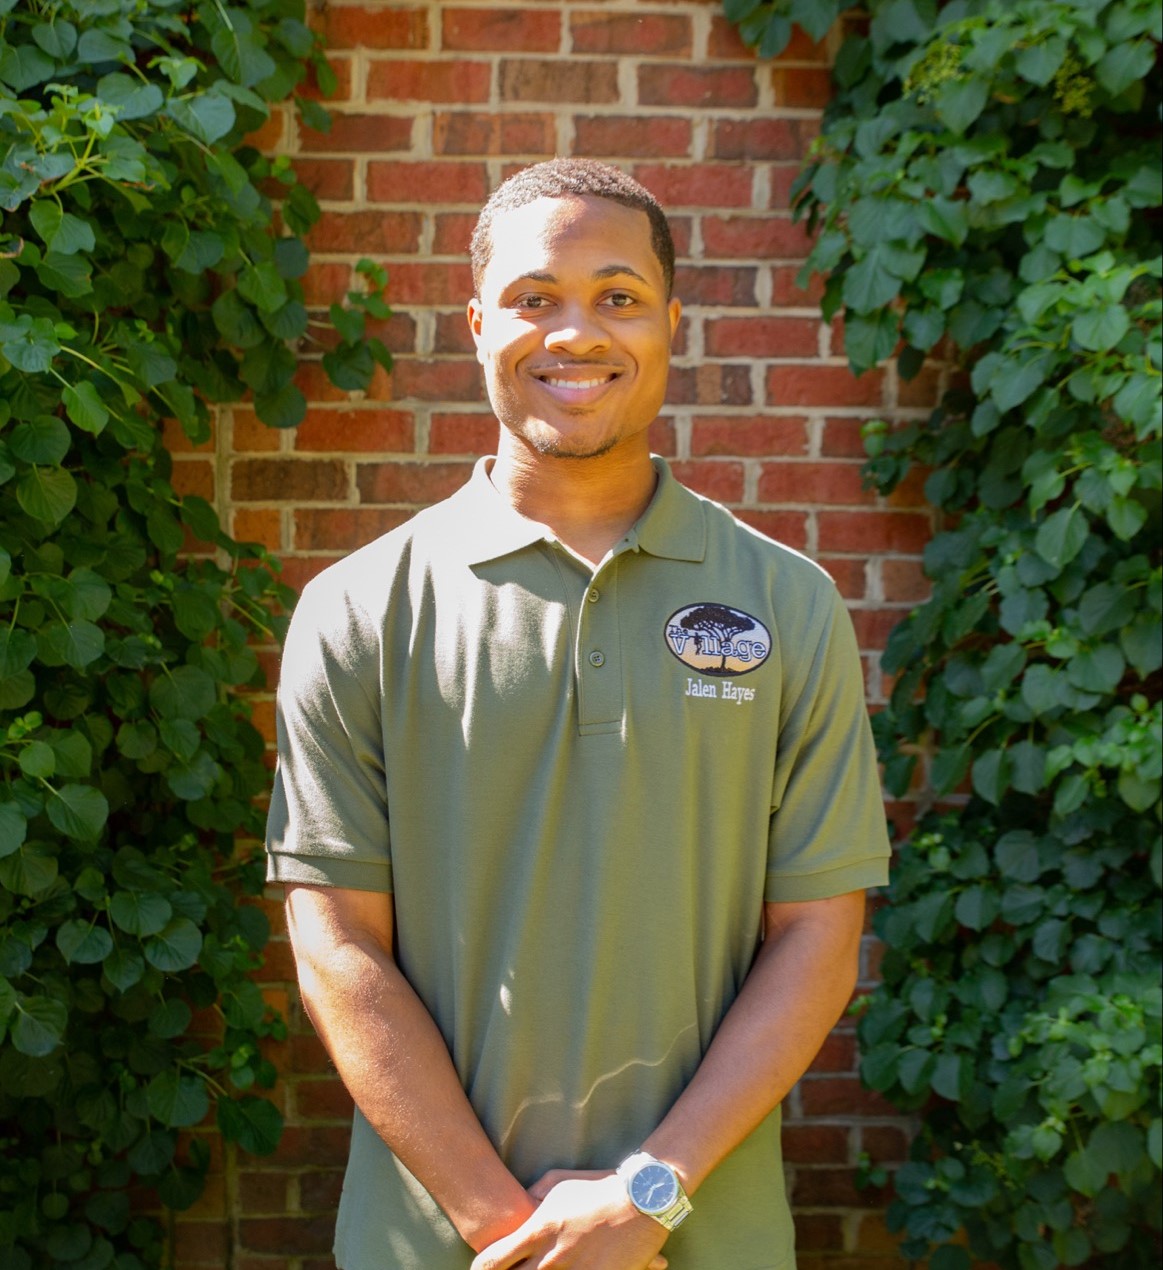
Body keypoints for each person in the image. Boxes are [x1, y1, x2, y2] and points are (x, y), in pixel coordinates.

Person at [265, 158, 891, 1270]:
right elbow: (337, 948)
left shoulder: (785, 602)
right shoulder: (358, 608)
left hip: (708, 1239)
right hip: (442, 1249)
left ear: (669, 323)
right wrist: (519, 1237)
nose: (575, 332)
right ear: (474, 322)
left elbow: (815, 937)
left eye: (616, 296)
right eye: (533, 298)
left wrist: (645, 1198)